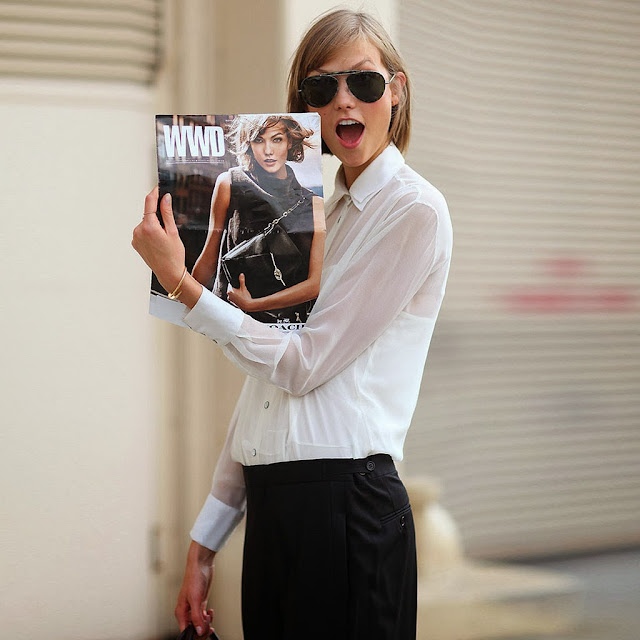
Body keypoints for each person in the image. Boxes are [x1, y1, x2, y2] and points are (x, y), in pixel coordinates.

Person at [132, 8, 453, 640]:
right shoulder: (322, 211)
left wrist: (181, 285)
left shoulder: (414, 210)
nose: (343, 100)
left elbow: (303, 366)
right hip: (277, 504)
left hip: (347, 507)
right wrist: (205, 542)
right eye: (321, 86)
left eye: (363, 81)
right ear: (305, 106)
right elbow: (268, 390)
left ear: (396, 90)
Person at [192, 115, 325, 325]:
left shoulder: (314, 204)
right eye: (258, 140)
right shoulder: (230, 184)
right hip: (229, 320)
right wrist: (184, 305)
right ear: (249, 145)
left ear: (290, 142)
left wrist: (253, 305)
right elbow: (209, 257)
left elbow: (314, 285)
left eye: (277, 139)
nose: (268, 150)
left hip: (286, 326)